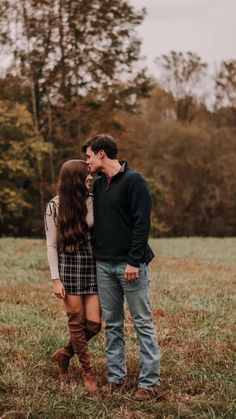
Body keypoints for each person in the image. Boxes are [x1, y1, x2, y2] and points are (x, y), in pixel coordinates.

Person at [81, 134, 160, 401]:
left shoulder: (135, 182)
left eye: (89, 155)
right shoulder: (99, 184)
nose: (87, 161)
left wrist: (133, 261)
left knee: (142, 322)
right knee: (113, 324)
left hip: (130, 266)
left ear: (102, 154)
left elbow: (142, 225)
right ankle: (116, 378)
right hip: (104, 266)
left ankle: (149, 383)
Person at [44, 159, 101, 394]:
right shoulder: (54, 207)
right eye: (87, 174)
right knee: (76, 322)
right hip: (69, 269)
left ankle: (65, 353)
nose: (91, 177)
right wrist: (55, 279)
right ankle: (88, 372)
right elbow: (50, 245)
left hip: (92, 268)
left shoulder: (93, 202)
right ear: (75, 177)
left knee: (95, 324)